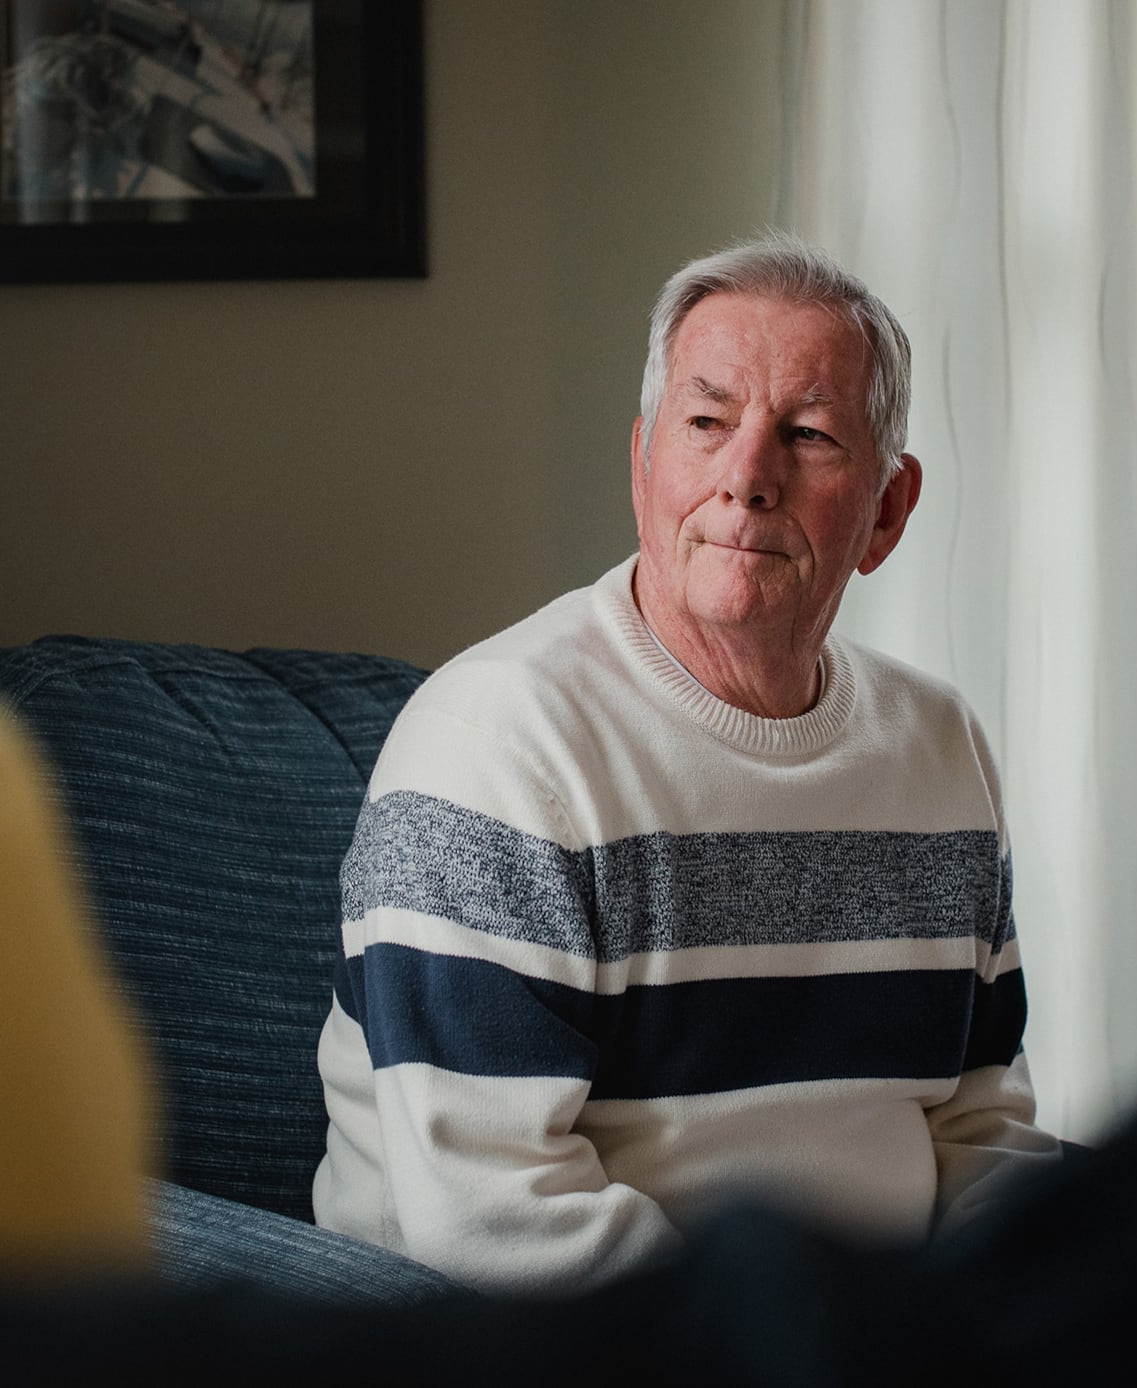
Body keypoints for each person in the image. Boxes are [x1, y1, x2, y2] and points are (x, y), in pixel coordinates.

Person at [312, 235, 1059, 1294]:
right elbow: (491, 1215)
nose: (745, 478)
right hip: (568, 1354)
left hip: (887, 1343)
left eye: (807, 434)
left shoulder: (939, 745)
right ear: (643, 462)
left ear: (887, 511)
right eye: (706, 423)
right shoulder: (493, 744)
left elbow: (981, 1128)